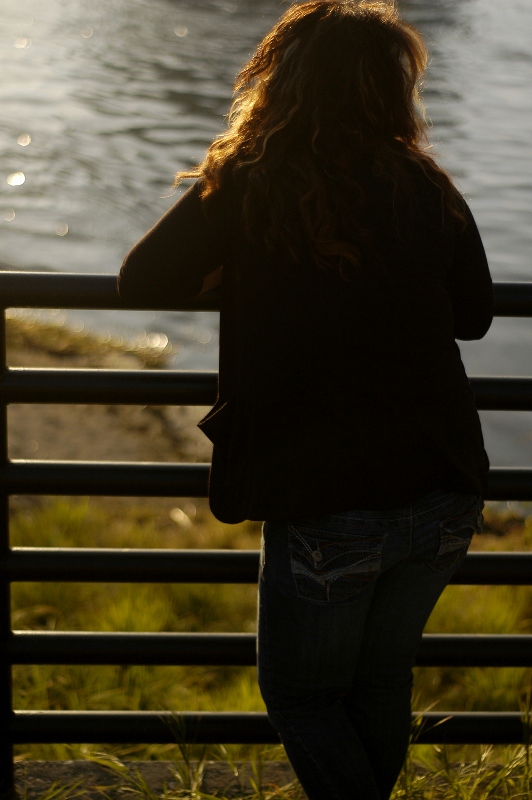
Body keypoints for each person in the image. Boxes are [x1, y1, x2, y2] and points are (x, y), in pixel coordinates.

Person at [118, 1, 493, 797]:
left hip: (329, 493)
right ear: (393, 92)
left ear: (280, 81)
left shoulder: (253, 180)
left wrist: (242, 272)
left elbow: (143, 279)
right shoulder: (425, 184)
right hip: (444, 477)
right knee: (380, 683)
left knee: (300, 696)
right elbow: (476, 317)